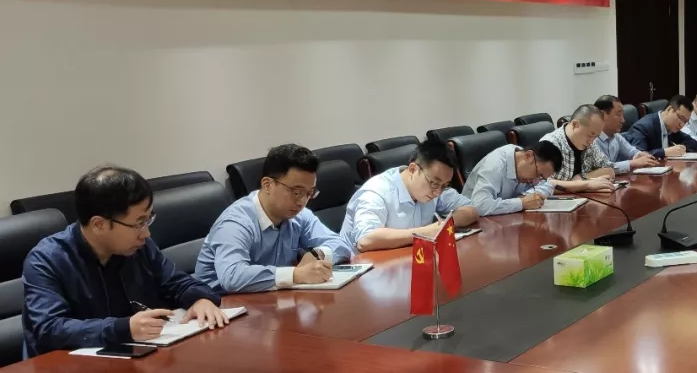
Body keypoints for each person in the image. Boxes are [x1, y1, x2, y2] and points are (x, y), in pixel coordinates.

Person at [23, 167, 229, 358]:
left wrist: (199, 299)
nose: (146, 233)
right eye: (139, 223)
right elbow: (49, 329)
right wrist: (123, 328)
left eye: (148, 219)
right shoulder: (47, 259)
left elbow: (176, 283)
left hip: (133, 357)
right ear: (99, 224)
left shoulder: (138, 247)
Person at [195, 144, 354, 293]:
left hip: (271, 299)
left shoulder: (299, 215)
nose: (302, 201)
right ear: (267, 185)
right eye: (296, 192)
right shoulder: (236, 222)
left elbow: (341, 245)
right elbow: (232, 276)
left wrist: (317, 254)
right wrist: (296, 274)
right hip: (221, 304)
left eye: (309, 193)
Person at [341, 139, 479, 252]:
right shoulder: (376, 191)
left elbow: (470, 209)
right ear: (413, 169)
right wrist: (425, 232)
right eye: (434, 183)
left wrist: (444, 225)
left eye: (444, 185)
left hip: (408, 260)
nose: (438, 192)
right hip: (362, 268)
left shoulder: (436, 185)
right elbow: (365, 240)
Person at [461, 141, 562, 216]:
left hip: (503, 219)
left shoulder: (523, 159)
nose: (536, 180)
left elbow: (548, 185)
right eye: (538, 174)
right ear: (528, 156)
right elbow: (480, 205)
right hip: (473, 225)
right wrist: (522, 203)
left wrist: (527, 197)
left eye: (542, 178)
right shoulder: (495, 166)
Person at [540, 105, 619, 192]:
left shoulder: (589, 144)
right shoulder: (550, 144)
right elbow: (542, 185)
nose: (591, 141)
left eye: (596, 137)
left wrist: (581, 178)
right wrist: (586, 184)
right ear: (575, 124)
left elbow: (609, 170)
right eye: (590, 135)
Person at [593, 95, 659, 175]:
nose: (623, 120)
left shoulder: (616, 137)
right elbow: (603, 169)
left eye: (623, 115)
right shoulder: (591, 140)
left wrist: (640, 155)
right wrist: (632, 163)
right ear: (602, 115)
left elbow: (631, 152)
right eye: (618, 115)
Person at [623, 95, 697, 159]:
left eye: (685, 121)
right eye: (681, 118)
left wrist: (681, 148)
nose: (682, 124)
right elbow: (638, 156)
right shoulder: (643, 127)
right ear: (669, 109)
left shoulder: (672, 128)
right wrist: (665, 152)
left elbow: (693, 144)